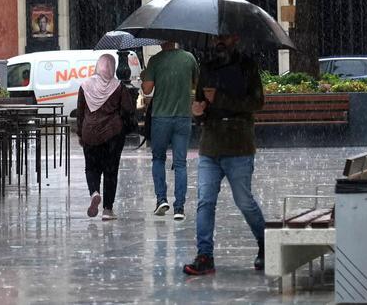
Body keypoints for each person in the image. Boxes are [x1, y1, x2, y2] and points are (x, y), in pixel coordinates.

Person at [183, 34, 267, 276]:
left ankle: (266, 244)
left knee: (244, 201)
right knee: (205, 201)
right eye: (216, 36)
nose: (219, 40)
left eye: (225, 36)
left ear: (236, 38)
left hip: (238, 144)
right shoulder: (207, 68)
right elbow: (201, 103)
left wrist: (220, 98)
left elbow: (256, 103)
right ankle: (205, 255)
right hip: (210, 145)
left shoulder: (247, 67)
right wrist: (197, 112)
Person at [142, 40, 199, 221]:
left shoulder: (155, 61)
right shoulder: (189, 58)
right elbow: (196, 85)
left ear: (160, 42)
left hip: (161, 117)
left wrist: (146, 77)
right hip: (183, 116)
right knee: (180, 163)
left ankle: (161, 200)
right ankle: (179, 207)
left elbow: (147, 89)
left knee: (158, 158)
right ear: (176, 40)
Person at [77, 54, 135, 221]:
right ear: (112, 67)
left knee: (91, 168)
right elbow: (128, 109)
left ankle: (94, 192)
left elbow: (80, 112)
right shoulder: (118, 87)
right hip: (112, 135)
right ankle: (108, 210)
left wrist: (81, 133)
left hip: (90, 134)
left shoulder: (85, 86)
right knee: (111, 172)